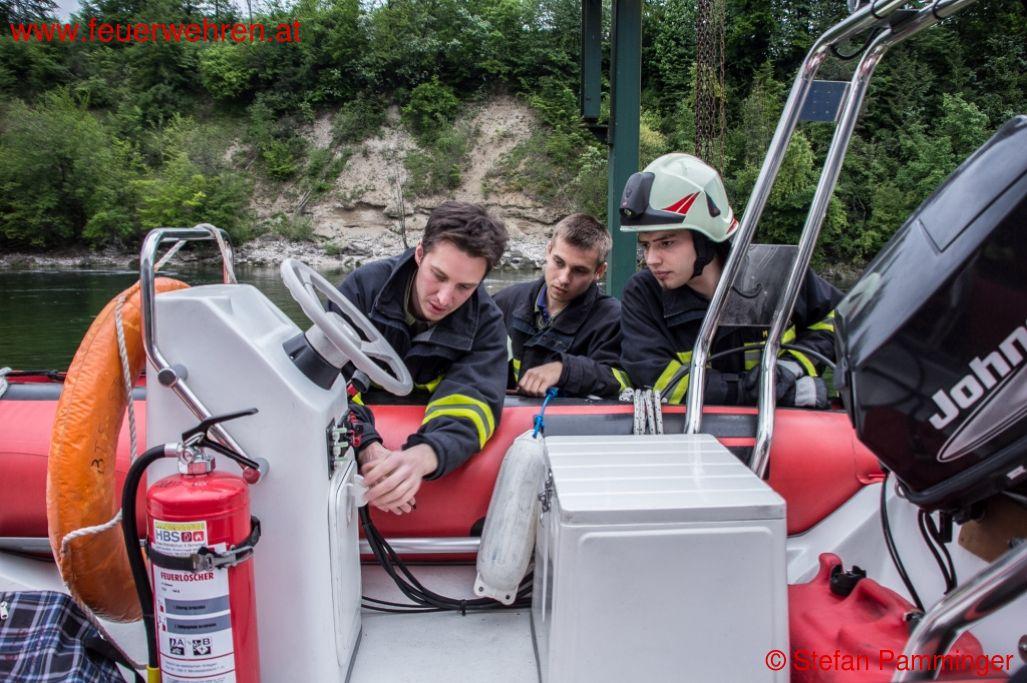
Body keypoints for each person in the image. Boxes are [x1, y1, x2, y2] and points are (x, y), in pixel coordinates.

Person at [618, 153, 841, 406]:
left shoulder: (774, 273)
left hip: (784, 436)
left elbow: (842, 320)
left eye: (666, 243)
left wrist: (792, 366)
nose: (651, 259)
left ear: (705, 238)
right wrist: (758, 391)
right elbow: (657, 379)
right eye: (646, 246)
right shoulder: (643, 294)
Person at [335, 201, 508, 515]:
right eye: (438, 276)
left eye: (465, 287)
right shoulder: (362, 290)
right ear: (419, 254)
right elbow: (327, 388)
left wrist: (419, 458)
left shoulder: (487, 324)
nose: (444, 298)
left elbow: (472, 405)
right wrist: (367, 447)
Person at [493, 214, 628, 398]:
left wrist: (565, 370)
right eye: (559, 262)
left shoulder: (613, 320)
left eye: (579, 270)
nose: (564, 279)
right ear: (548, 251)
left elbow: (622, 381)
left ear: (599, 271)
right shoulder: (504, 302)